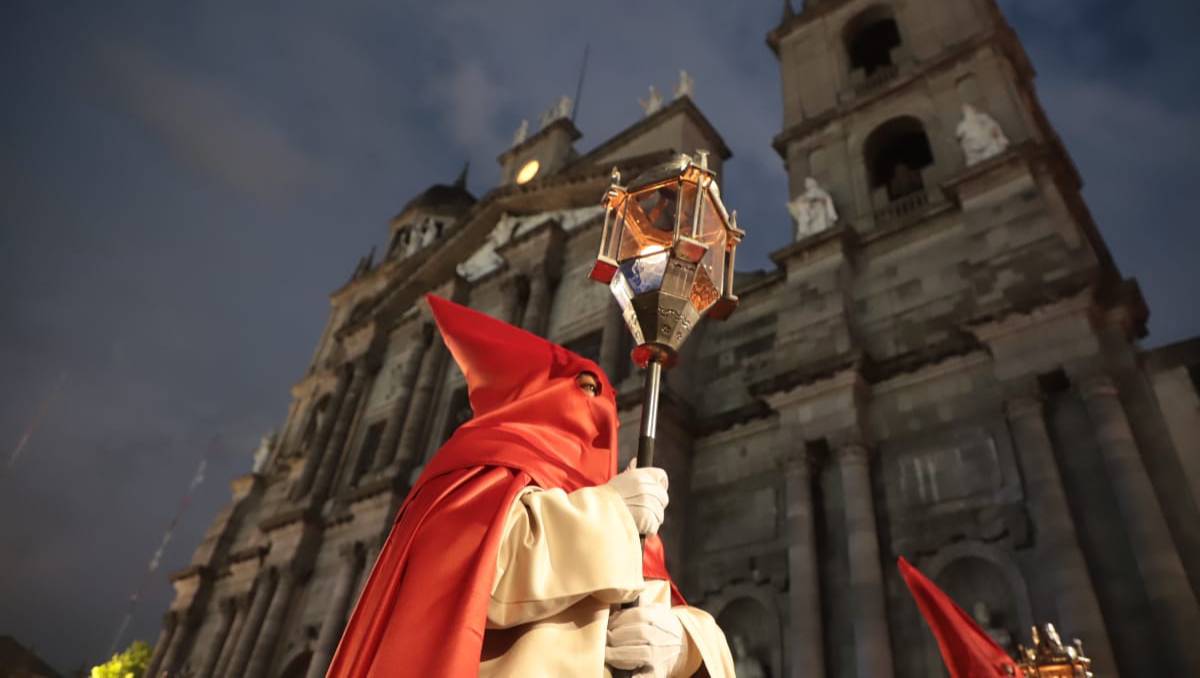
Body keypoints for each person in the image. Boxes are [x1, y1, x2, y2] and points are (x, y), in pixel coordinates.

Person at [328, 295, 733, 677]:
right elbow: (466, 575)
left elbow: (670, 604)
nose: (602, 411)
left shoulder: (610, 504)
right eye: (587, 388)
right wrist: (608, 513)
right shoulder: (474, 480)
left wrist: (681, 645)